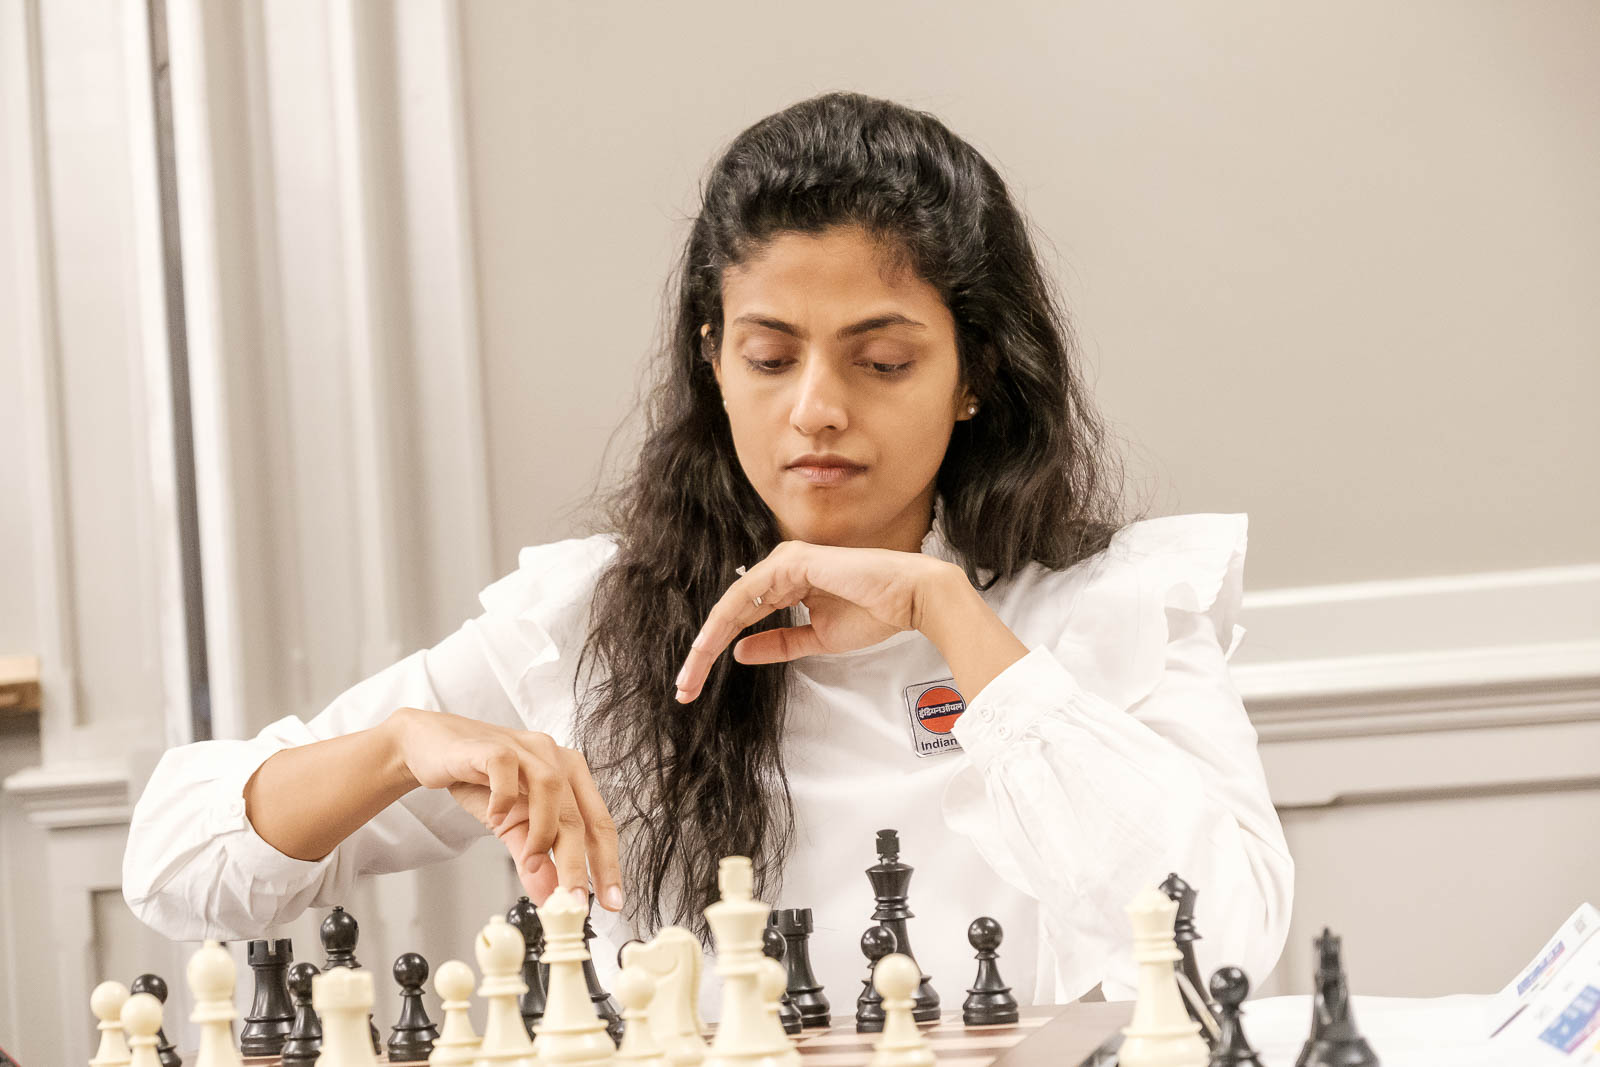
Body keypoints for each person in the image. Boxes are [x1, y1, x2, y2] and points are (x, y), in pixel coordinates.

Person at [123, 91, 1292, 1007]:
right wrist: (394, 745)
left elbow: (1224, 945)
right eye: (770, 357)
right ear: (713, 362)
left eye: (882, 362)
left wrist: (951, 616)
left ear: (974, 372)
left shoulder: (1115, 606)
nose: (817, 409)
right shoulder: (592, 619)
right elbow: (173, 867)